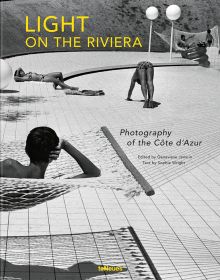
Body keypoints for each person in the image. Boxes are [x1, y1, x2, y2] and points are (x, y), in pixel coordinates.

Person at [0, 127, 101, 179]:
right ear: (52, 157)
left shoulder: (9, 166)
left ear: (26, 151)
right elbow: (94, 172)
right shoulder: (49, 187)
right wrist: (65, 144)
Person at [14, 67, 78, 90]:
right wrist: (18, 72)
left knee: (59, 73)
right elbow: (16, 78)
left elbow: (20, 67)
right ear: (20, 75)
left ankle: (63, 86)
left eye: (22, 71)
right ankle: (70, 88)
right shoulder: (25, 78)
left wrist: (19, 70)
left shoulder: (27, 74)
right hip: (43, 79)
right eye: (21, 72)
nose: (22, 71)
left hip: (45, 75)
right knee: (57, 81)